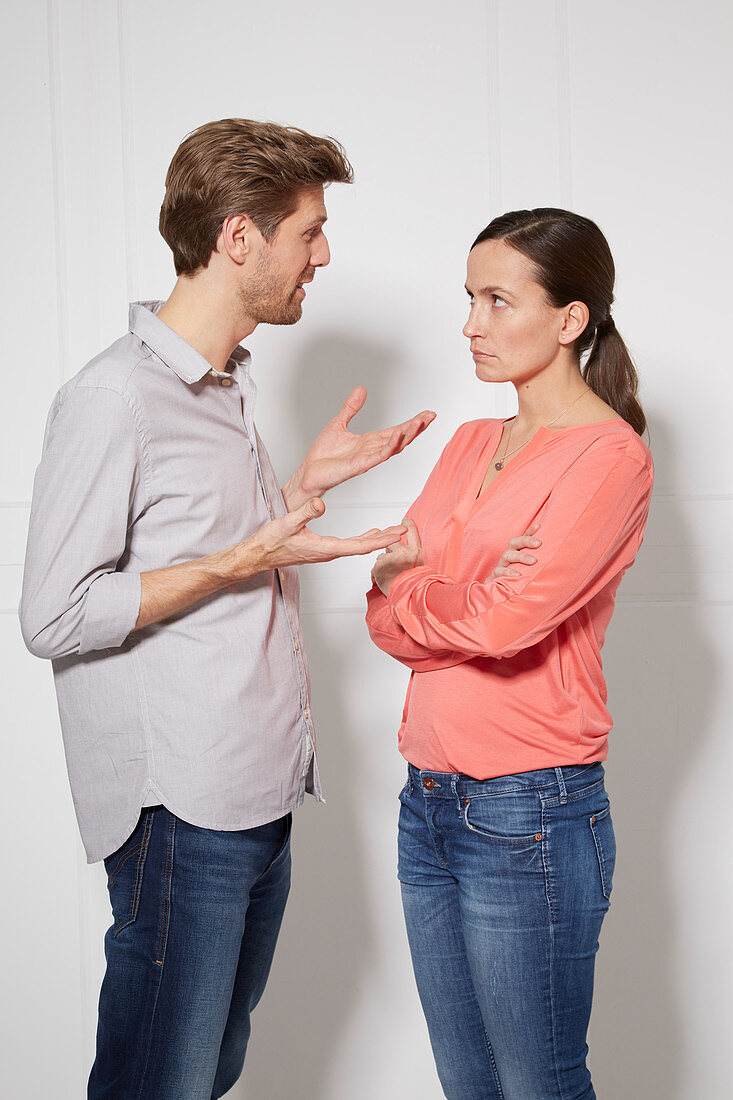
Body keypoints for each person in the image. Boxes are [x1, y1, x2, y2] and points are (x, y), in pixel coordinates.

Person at [19, 117, 435, 1100]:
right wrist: (243, 551)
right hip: (180, 811)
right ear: (238, 236)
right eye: (308, 231)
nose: (322, 255)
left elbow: (209, 556)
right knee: (158, 1081)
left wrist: (296, 495)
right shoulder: (115, 398)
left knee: (206, 1074)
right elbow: (51, 614)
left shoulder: (226, 385)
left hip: (256, 797)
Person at [366, 207, 653, 1100]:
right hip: (428, 800)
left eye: (497, 301)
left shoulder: (610, 458)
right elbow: (381, 612)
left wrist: (421, 589)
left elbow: (506, 627)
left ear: (571, 320)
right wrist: (431, 591)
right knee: (467, 1081)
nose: (470, 326)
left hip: (529, 808)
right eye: (468, 299)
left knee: (537, 1083)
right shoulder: (468, 442)